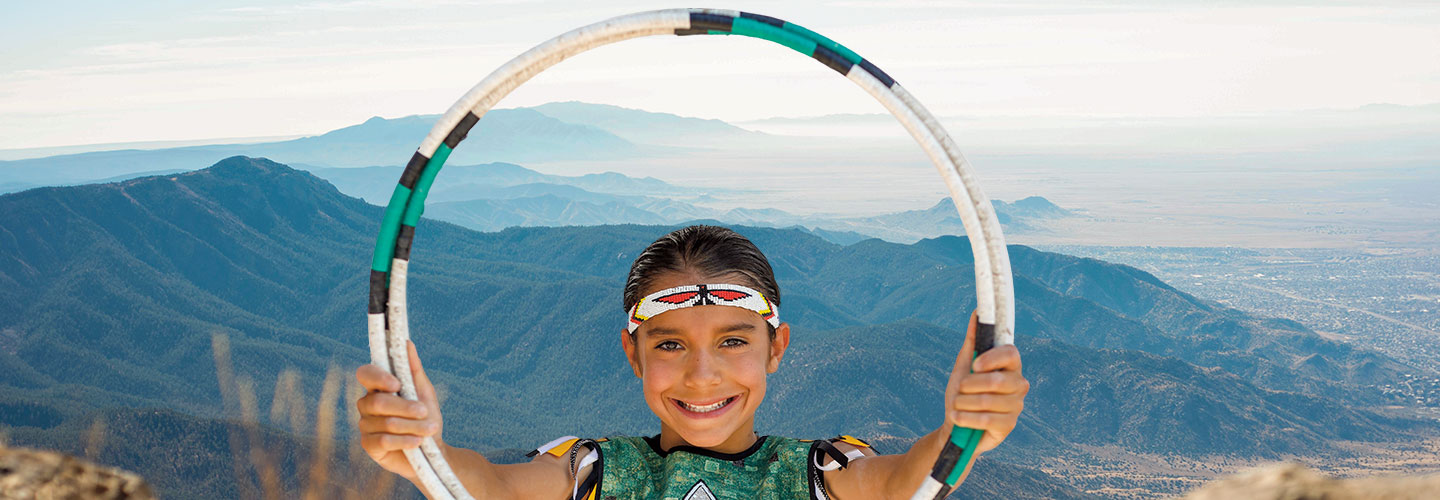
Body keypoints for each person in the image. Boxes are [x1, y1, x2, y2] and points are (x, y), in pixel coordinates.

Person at [356, 225, 1029, 499]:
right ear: (633, 352)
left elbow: (897, 486)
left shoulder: (814, 476)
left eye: (734, 340)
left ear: (777, 349)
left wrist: (964, 430)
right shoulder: (594, 473)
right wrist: (426, 454)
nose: (702, 374)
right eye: (670, 344)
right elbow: (498, 490)